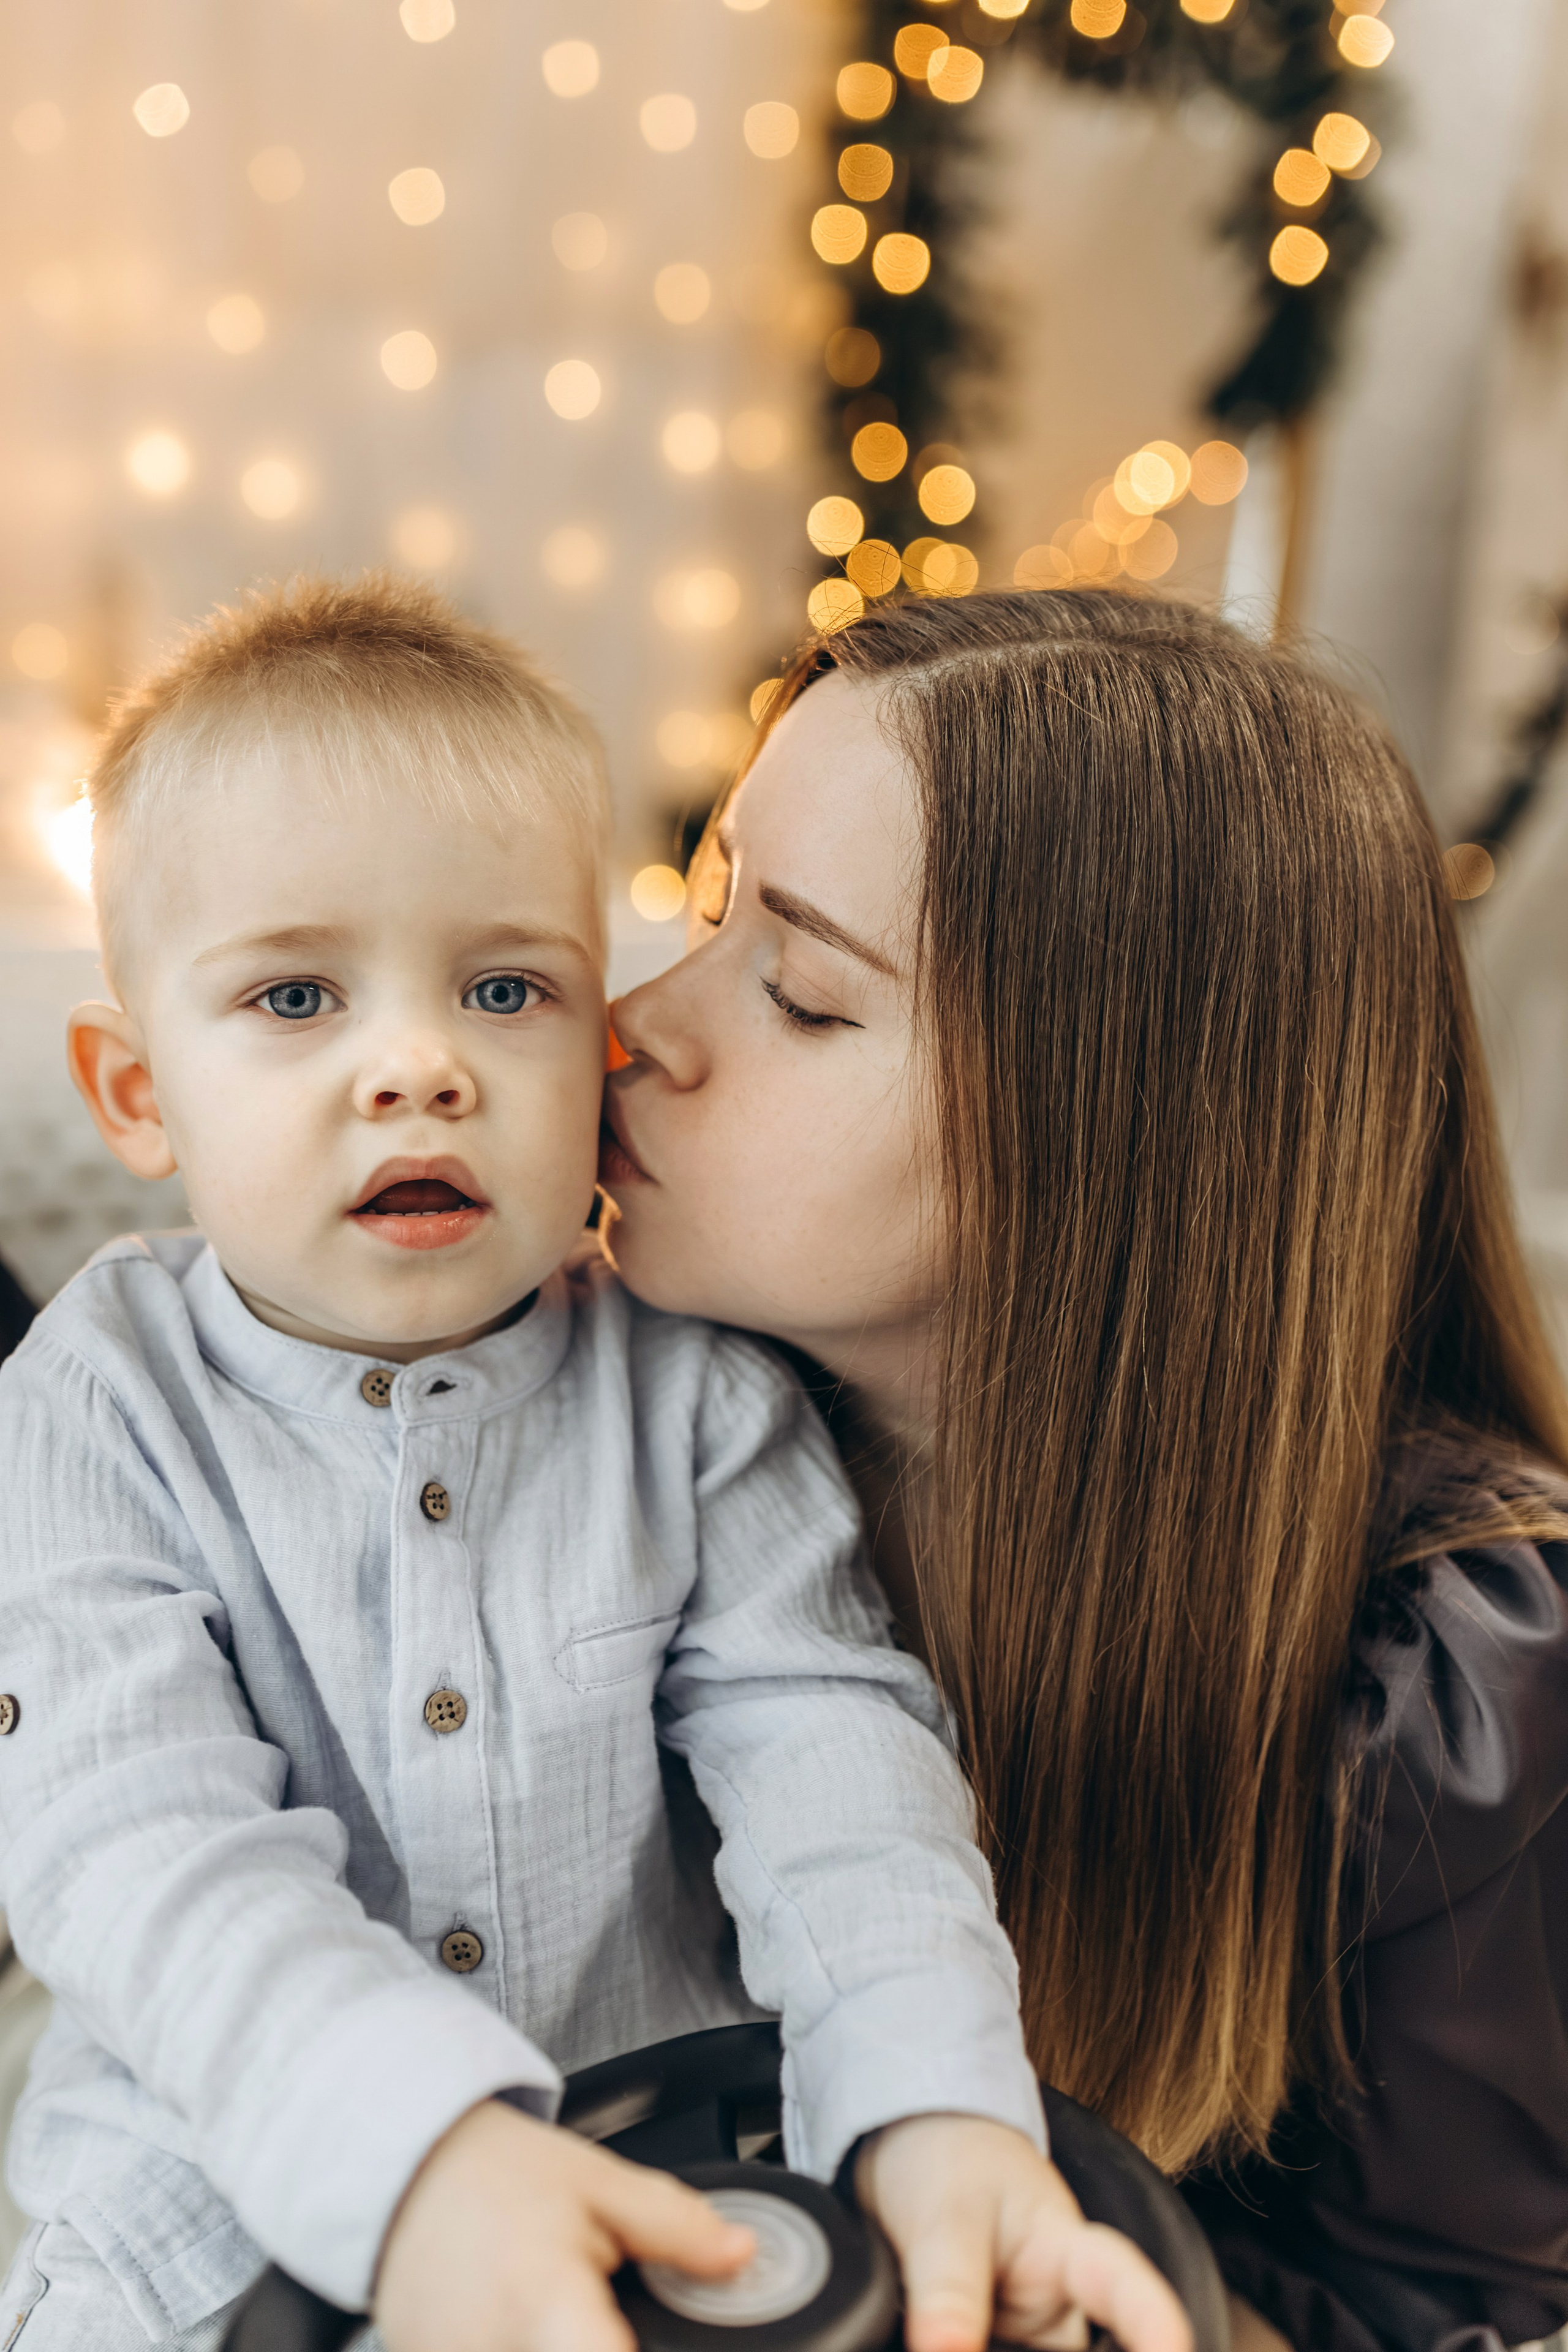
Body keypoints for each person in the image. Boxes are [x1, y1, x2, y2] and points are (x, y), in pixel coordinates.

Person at [0, 578, 1187, 2352]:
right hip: (196, 2236)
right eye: (298, 996)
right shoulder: (94, 1398)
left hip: (651, 2179)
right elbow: (131, 1839)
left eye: (505, 988)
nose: (420, 1068)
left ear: (599, 1036)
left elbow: (836, 1767)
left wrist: (933, 2106)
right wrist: (419, 2155)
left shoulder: (696, 1392)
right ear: (136, 1090)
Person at [600, 587, 1568, 2352]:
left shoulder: (1459, 1681)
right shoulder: (624, 1426)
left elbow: (1447, 2310)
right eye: (711, 907)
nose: (638, 1018)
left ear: (1112, 1134)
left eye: (802, 995)